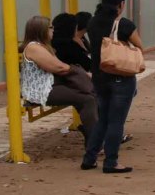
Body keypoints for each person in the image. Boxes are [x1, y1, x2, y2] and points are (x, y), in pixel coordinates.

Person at [81, 0, 143, 174]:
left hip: (100, 77)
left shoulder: (92, 22)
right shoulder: (123, 24)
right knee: (116, 121)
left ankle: (89, 159)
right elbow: (140, 46)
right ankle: (111, 162)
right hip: (121, 77)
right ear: (121, 4)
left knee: (103, 120)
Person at [20, 16, 97, 146]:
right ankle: (95, 140)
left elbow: (59, 66)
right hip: (40, 91)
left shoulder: (44, 46)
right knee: (87, 99)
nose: (53, 30)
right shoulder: (34, 48)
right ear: (41, 30)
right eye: (50, 27)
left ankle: (94, 134)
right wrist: (80, 72)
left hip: (51, 86)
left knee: (90, 94)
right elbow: (58, 67)